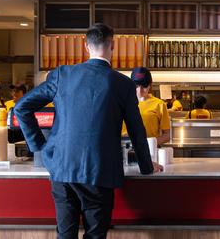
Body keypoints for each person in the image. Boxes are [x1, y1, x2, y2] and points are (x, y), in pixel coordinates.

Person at [14, 23, 162, 239]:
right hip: (99, 172)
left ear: (86, 46)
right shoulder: (122, 84)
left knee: (65, 235)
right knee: (95, 235)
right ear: (112, 46)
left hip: (62, 168)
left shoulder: (62, 74)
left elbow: (21, 107)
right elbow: (136, 131)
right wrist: (146, 167)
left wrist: (41, 148)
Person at [128, 67, 171, 145]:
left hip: (149, 152)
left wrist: (148, 144)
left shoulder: (159, 105)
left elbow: (167, 135)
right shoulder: (123, 103)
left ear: (150, 85)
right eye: (136, 86)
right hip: (126, 150)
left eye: (144, 86)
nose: (139, 90)